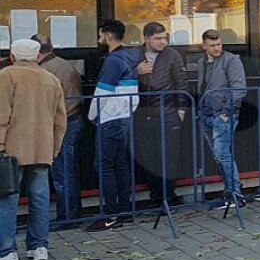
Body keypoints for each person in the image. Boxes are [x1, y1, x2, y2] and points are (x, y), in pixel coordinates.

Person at [0, 40, 67, 260]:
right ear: (38, 56)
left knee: (8, 200)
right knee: (40, 198)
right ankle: (39, 246)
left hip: (11, 150)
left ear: (12, 56)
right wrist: (54, 147)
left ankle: (7, 252)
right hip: (42, 148)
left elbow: (2, 116)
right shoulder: (51, 79)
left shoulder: (6, 76)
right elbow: (60, 120)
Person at [87, 19, 141, 232]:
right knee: (120, 164)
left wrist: (92, 115)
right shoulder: (130, 57)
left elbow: (102, 92)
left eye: (101, 35)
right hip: (125, 116)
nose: (99, 38)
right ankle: (125, 211)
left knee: (103, 165)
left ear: (108, 36)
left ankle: (110, 215)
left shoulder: (113, 60)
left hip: (110, 118)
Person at [133, 22, 187, 207]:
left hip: (168, 113)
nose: (163, 41)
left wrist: (181, 111)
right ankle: (156, 197)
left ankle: (168, 197)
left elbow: (181, 83)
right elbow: (122, 79)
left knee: (168, 158)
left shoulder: (172, 55)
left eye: (165, 38)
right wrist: (135, 72)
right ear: (147, 38)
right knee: (147, 158)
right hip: (142, 115)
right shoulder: (135, 55)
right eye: (158, 38)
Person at [33, 35, 83, 224]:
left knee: (62, 173)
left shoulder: (44, 71)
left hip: (62, 124)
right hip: (74, 119)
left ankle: (68, 217)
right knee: (67, 170)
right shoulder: (64, 64)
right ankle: (71, 213)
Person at [197, 29, 246, 208]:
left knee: (222, 154)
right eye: (212, 45)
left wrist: (226, 112)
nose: (217, 48)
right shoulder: (201, 62)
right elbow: (203, 86)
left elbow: (239, 88)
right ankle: (231, 192)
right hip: (207, 114)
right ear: (204, 46)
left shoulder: (231, 60)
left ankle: (235, 193)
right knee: (219, 156)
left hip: (223, 114)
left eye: (219, 44)